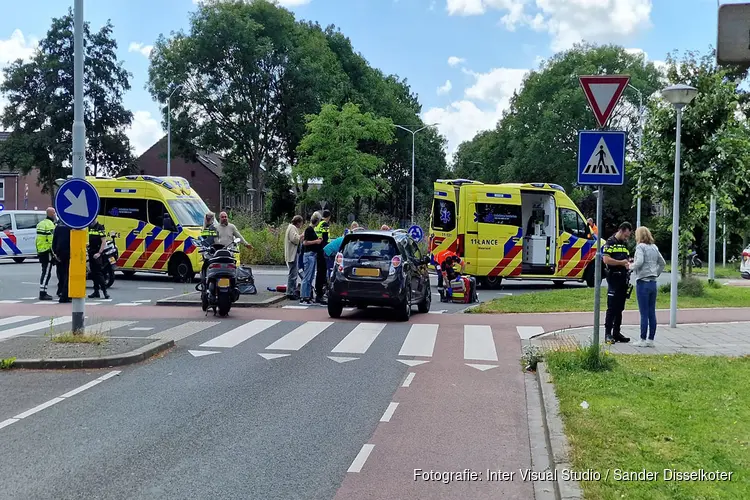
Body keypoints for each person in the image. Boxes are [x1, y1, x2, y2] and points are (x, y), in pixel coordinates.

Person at [631, 226, 666, 347]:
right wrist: (656, 273)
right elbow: (662, 263)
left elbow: (639, 262)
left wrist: (630, 266)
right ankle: (651, 339)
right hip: (653, 282)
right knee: (652, 311)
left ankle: (642, 339)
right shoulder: (654, 247)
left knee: (643, 312)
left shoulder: (640, 247)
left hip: (643, 282)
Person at [602, 222, 633, 344]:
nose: (627, 238)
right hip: (614, 278)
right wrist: (621, 263)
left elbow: (627, 258)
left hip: (623, 279)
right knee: (612, 307)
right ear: (621, 230)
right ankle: (608, 334)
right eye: (626, 235)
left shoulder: (624, 244)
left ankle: (616, 332)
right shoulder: (610, 242)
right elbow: (606, 259)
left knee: (620, 308)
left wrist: (629, 262)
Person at [301, 212, 323, 305]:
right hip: (309, 255)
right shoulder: (309, 229)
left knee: (310, 277)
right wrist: (316, 241)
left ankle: (308, 296)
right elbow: (305, 242)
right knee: (307, 277)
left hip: (312, 255)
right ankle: (304, 297)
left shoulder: (311, 230)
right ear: (317, 221)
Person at [35, 207, 57, 300]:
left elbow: (38, 239)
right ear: (52, 214)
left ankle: (43, 291)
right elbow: (52, 241)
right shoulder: (51, 225)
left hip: (41, 251)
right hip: (47, 251)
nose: (55, 215)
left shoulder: (40, 224)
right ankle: (43, 293)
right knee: (47, 273)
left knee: (44, 271)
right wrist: (54, 253)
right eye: (54, 213)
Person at [87, 219, 110, 299]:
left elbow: (103, 241)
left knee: (98, 273)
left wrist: (99, 253)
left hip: (97, 253)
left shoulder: (100, 228)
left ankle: (105, 292)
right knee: (93, 273)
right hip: (91, 252)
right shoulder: (90, 227)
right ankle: (96, 291)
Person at [314, 210, 331, 304]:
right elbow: (325, 238)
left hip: (318, 249)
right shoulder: (325, 224)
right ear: (329, 217)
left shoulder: (319, 223)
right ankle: (320, 295)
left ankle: (319, 293)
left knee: (319, 273)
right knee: (322, 272)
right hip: (323, 250)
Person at [285, 215, 304, 300]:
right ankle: (291, 292)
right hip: (292, 253)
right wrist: (301, 236)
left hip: (292, 253)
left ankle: (291, 291)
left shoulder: (291, 227)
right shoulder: (292, 228)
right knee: (293, 273)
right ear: (298, 222)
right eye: (301, 223)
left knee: (293, 272)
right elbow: (294, 239)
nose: (301, 225)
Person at [52, 221, 71, 303]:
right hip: (69, 252)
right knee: (67, 274)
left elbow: (54, 240)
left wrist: (55, 253)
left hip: (59, 253)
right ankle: (65, 296)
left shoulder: (58, 226)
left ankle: (60, 291)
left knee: (61, 274)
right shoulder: (71, 226)